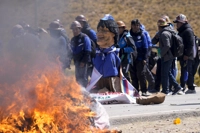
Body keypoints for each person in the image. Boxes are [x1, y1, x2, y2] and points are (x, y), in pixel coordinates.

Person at [90, 14, 121, 93]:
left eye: (104, 31)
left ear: (113, 33)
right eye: (99, 30)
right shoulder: (98, 53)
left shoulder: (114, 53)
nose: (99, 34)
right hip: (99, 82)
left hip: (112, 83)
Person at [152, 18, 182, 95]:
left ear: (159, 26)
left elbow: (167, 46)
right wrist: (156, 37)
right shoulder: (165, 32)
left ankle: (165, 90)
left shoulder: (164, 34)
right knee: (167, 72)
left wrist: (161, 54)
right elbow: (153, 42)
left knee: (164, 73)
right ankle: (177, 86)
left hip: (167, 56)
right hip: (169, 55)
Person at [173, 14, 196, 94]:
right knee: (183, 71)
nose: (177, 25)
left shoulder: (188, 31)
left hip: (188, 56)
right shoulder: (182, 31)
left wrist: (187, 54)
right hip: (184, 55)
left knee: (188, 71)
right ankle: (183, 86)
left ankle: (191, 88)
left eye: (178, 23)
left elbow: (190, 44)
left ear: (182, 23)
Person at [129, 19, 149, 96]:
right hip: (131, 58)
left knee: (141, 75)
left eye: (137, 25)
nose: (136, 27)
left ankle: (144, 90)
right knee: (133, 75)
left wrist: (144, 58)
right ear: (131, 26)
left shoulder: (142, 35)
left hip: (141, 58)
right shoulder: (129, 35)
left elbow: (145, 47)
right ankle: (135, 91)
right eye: (134, 25)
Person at [70, 21, 92, 87]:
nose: (75, 31)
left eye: (76, 29)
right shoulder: (73, 39)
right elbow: (72, 51)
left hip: (83, 62)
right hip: (77, 62)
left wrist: (83, 61)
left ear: (80, 29)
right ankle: (78, 92)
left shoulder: (85, 38)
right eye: (73, 29)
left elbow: (88, 51)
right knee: (78, 78)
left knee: (83, 78)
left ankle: (85, 92)